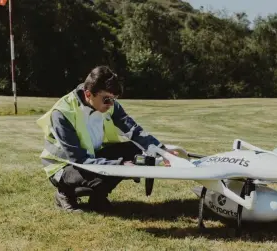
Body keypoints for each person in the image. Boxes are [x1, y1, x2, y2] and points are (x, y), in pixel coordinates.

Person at [36, 65, 174, 212]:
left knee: (134, 150)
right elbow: (78, 159)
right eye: (107, 99)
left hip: (90, 158)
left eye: (114, 99)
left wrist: (162, 151)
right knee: (105, 172)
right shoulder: (63, 113)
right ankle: (64, 193)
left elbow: (134, 131)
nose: (111, 104)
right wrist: (119, 166)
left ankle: (97, 198)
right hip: (63, 168)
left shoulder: (110, 105)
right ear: (88, 94)